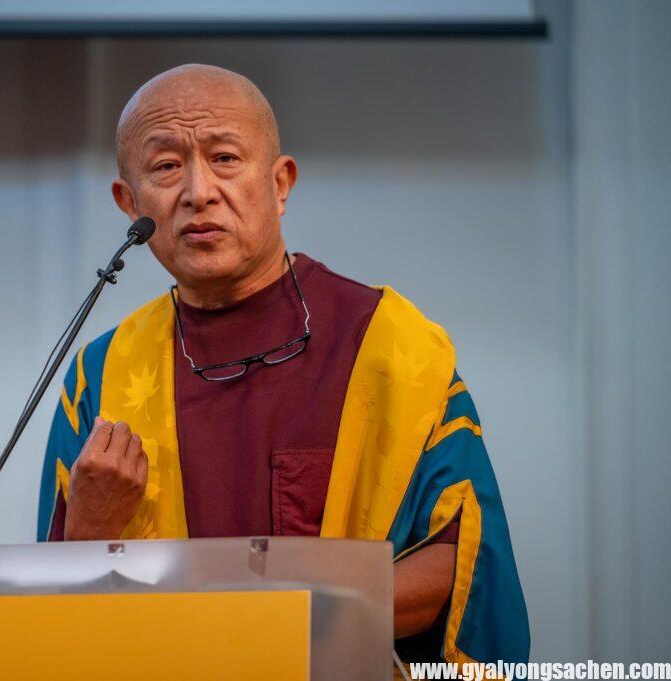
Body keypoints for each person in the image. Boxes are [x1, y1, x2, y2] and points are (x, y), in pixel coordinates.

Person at [36, 64, 529, 664]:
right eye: (166, 166)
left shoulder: (387, 346)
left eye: (224, 158)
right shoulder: (101, 373)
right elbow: (57, 619)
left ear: (280, 183)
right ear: (129, 202)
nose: (198, 192)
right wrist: (90, 528)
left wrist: (268, 623)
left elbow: (461, 565)